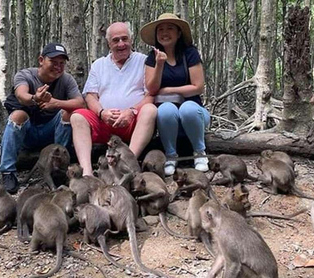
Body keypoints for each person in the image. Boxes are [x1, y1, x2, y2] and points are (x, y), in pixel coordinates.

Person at [70, 22, 157, 176]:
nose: (121, 44)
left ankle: (128, 162)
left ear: (131, 40)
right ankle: (87, 173)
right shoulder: (99, 64)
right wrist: (101, 112)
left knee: (150, 110)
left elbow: (150, 95)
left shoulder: (144, 61)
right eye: (116, 40)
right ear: (108, 43)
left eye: (125, 39)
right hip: (104, 122)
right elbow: (90, 96)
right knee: (77, 116)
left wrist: (131, 111)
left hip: (133, 122)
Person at [0, 43, 85, 194]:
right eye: (53, 62)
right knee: (17, 116)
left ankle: (59, 166)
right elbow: (21, 95)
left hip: (52, 134)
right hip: (29, 132)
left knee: (69, 112)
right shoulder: (25, 75)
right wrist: (35, 98)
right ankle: (7, 171)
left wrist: (55, 103)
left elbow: (80, 102)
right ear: (41, 60)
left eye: (61, 63)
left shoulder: (66, 80)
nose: (58, 67)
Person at [141, 13, 210, 176]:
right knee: (165, 109)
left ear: (179, 33)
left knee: (187, 109)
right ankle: (171, 155)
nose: (165, 33)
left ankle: (200, 153)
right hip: (167, 120)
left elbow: (198, 87)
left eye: (170, 28)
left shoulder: (190, 53)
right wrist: (159, 64)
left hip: (194, 114)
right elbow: (152, 89)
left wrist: (170, 90)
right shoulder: (152, 57)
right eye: (161, 30)